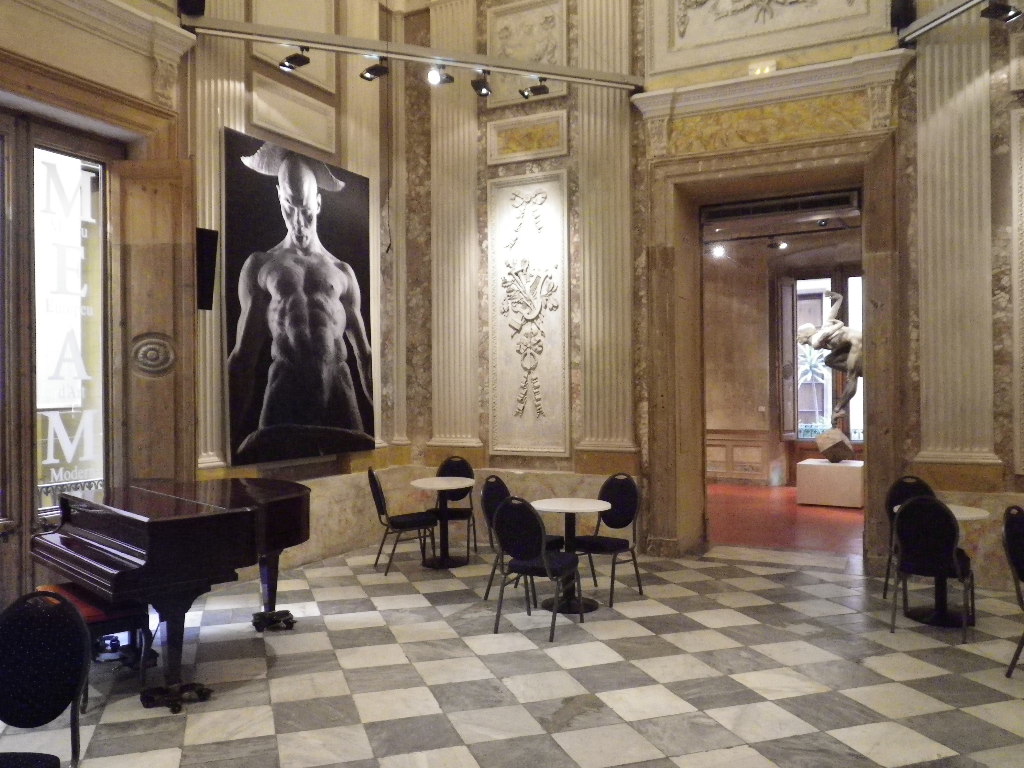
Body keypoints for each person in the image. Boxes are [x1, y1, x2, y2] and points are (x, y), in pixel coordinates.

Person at [228, 142, 372, 461]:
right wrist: (223, 437)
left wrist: (390, 423)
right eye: (289, 207)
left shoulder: (342, 271)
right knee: (275, 486)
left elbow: (365, 356)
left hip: (339, 394)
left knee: (352, 482)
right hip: (284, 394)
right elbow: (243, 358)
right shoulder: (262, 265)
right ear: (279, 199)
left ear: (318, 203)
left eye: (305, 209)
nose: (298, 220)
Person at [796, 290, 862, 425]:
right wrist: (839, 299)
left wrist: (839, 325)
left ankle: (838, 409)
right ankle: (859, 368)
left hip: (857, 342)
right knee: (829, 360)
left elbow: (827, 332)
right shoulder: (822, 329)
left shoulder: (816, 341)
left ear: (806, 334)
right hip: (849, 343)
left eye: (799, 335)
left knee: (851, 378)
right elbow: (831, 314)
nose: (797, 338)